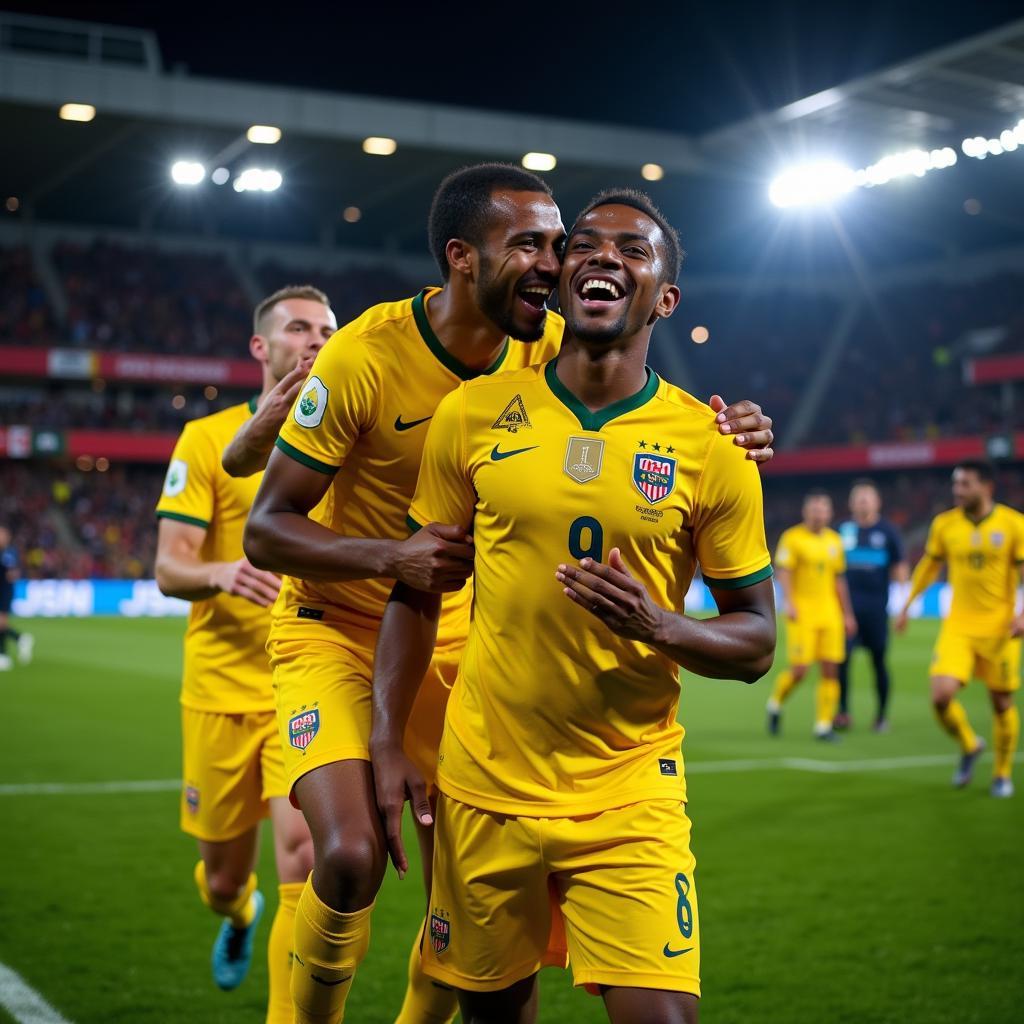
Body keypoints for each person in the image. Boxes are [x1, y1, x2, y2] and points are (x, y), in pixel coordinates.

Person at [243, 164, 776, 1024]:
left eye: (556, 245)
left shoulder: (546, 346)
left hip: (458, 638)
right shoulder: (367, 358)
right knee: (346, 854)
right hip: (337, 622)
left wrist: (737, 422)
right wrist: (398, 559)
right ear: (462, 257)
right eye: (534, 244)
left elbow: (636, 383)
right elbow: (265, 528)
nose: (555, 261)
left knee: (450, 912)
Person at [154, 284, 336, 1023]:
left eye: (329, 328)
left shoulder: (345, 439)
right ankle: (236, 913)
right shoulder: (205, 440)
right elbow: (170, 568)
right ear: (262, 348)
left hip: (306, 681)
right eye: (299, 327)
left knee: (304, 856)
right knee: (226, 877)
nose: (318, 338)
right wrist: (222, 572)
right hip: (221, 689)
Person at [896, 461, 1024, 797]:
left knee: (1001, 702)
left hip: (1000, 630)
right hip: (959, 626)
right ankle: (969, 745)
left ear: (986, 487)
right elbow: (929, 566)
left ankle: (1001, 773)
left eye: (965, 484)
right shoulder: (945, 524)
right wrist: (908, 604)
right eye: (956, 484)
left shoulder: (1013, 524)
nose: (957, 490)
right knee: (940, 697)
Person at [766, 491, 857, 740]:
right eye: (814, 509)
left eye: (823, 509)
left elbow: (839, 580)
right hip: (803, 613)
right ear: (806, 512)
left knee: (830, 669)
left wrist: (847, 614)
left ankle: (823, 725)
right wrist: (790, 602)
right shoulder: (792, 538)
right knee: (801, 670)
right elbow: (784, 571)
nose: (818, 514)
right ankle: (775, 703)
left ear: (829, 513)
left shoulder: (835, 541)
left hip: (830, 613)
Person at [835, 479, 908, 732]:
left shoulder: (888, 531)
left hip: (876, 611)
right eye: (858, 497)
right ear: (851, 503)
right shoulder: (842, 530)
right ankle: (842, 712)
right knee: (841, 662)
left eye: (867, 496)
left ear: (877, 502)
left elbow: (899, 567)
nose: (863, 501)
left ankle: (881, 716)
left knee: (878, 662)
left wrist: (903, 604)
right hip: (846, 611)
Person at [0, 525, 33, 671]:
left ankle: (4, 655)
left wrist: (10, 574)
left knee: (1, 623)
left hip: (4, 591)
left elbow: (12, 575)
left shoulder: (9, 554)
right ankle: (20, 639)